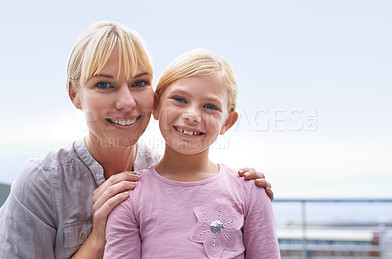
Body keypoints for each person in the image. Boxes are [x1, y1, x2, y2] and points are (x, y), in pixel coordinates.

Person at [0, 22, 274, 258]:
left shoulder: (168, 173)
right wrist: (97, 238)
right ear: (74, 94)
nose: (127, 102)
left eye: (139, 83)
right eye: (104, 84)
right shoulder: (41, 182)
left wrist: (246, 192)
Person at [104, 49, 280, 258]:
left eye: (209, 106)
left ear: (227, 122)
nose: (192, 115)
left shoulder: (250, 192)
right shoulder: (129, 197)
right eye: (179, 99)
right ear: (156, 106)